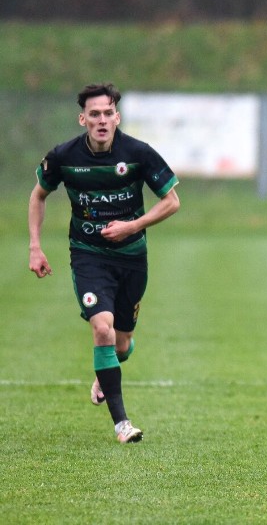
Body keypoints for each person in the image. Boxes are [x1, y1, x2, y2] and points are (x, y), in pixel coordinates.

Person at [28, 83, 180, 444]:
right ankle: (122, 424)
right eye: (93, 114)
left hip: (131, 259)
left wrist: (133, 225)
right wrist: (35, 246)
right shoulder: (64, 156)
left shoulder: (138, 153)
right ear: (83, 118)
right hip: (88, 255)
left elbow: (172, 201)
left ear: (117, 117)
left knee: (121, 344)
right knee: (102, 329)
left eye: (107, 113)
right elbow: (38, 195)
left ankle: (105, 370)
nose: (101, 120)